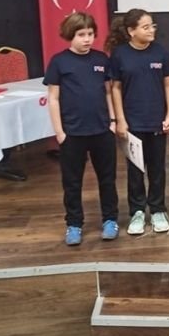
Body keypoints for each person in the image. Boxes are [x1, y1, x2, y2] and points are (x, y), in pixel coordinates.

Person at [44, 12, 118, 245]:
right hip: (72, 133)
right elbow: (53, 98)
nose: (87, 39)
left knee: (107, 179)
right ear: (70, 35)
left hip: (102, 131)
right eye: (81, 35)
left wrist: (113, 121)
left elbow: (108, 92)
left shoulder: (101, 59)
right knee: (72, 182)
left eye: (90, 34)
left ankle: (110, 220)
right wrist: (59, 132)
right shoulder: (59, 62)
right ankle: (74, 224)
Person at [106, 8, 169, 235]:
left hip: (156, 122)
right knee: (135, 171)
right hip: (132, 124)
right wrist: (120, 120)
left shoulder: (161, 53)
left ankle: (157, 209)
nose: (151, 30)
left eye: (152, 25)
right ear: (131, 31)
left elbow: (168, 85)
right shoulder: (119, 55)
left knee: (157, 169)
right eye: (145, 27)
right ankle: (137, 211)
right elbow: (115, 89)